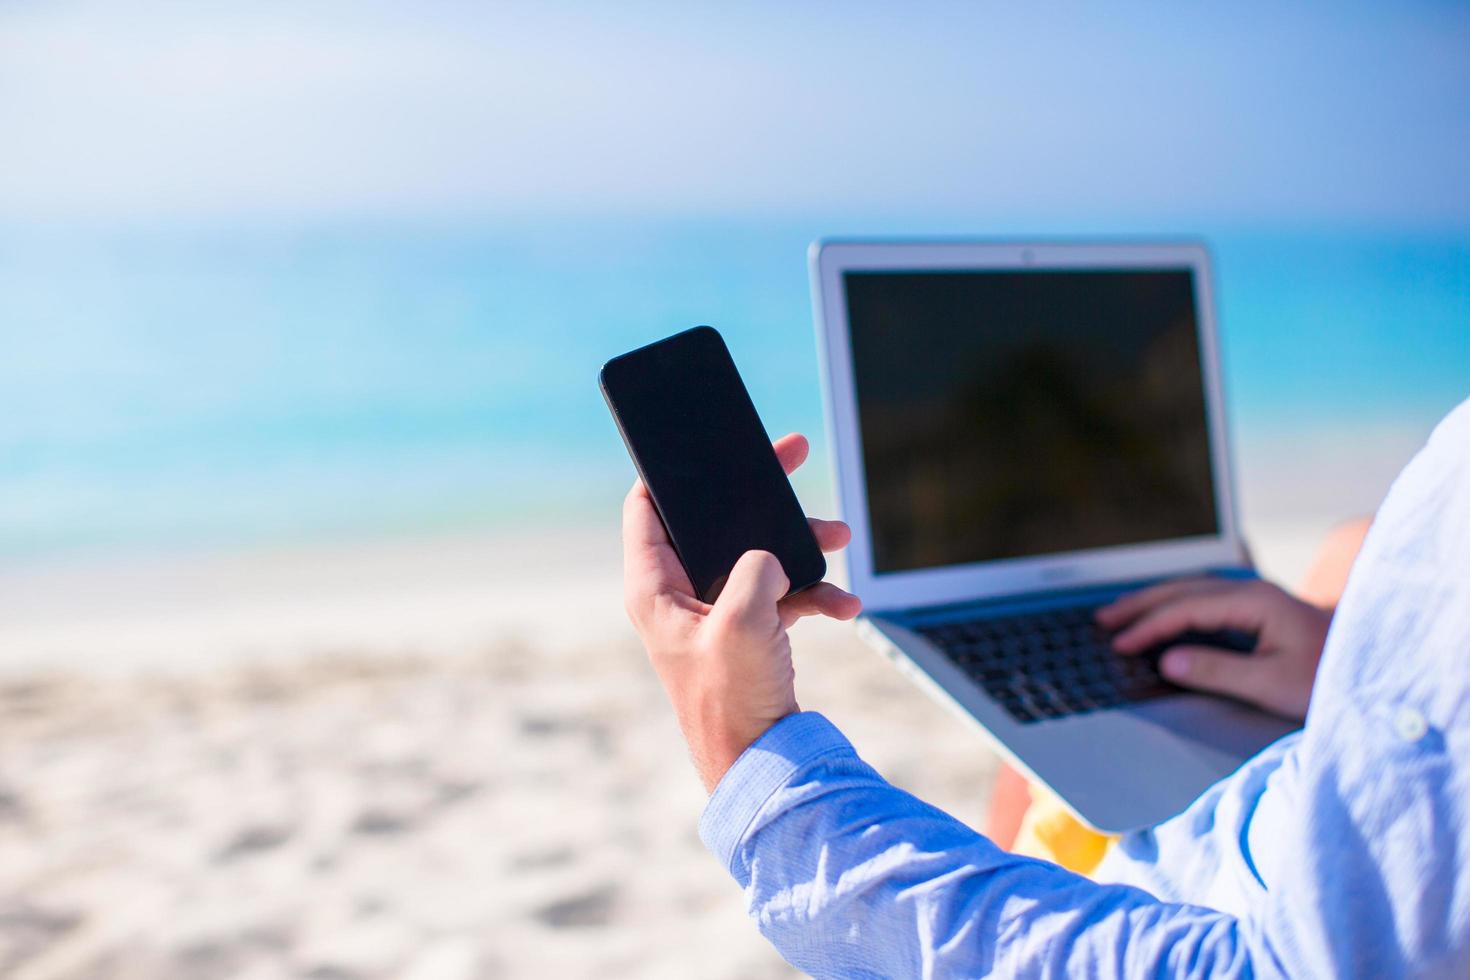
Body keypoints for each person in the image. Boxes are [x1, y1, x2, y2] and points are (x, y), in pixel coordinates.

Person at [621, 396, 1470, 977]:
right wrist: (1351, 670)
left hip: (1195, 896)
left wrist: (757, 764)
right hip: (1298, 774)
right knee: (1352, 547)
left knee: (1032, 731)